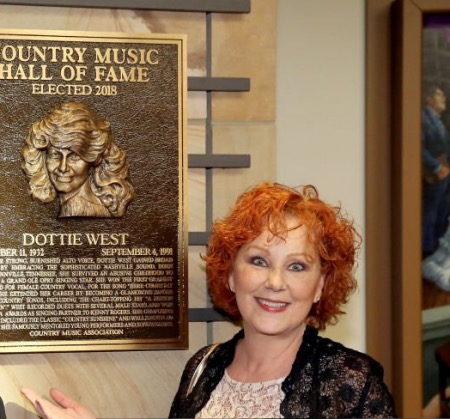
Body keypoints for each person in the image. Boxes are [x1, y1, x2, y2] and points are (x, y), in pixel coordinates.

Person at [21, 182, 396, 418]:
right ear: (231, 274)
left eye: (297, 266)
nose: (275, 282)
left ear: (320, 285)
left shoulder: (353, 382)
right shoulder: (203, 367)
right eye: (259, 261)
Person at [21, 102, 134, 218]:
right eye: (55, 154)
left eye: (74, 156)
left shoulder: (78, 209)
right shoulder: (70, 207)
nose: (62, 168)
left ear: (93, 162)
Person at [421, 85, 450, 258]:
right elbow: (419, 148)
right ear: (429, 99)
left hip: (445, 172)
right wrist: (437, 167)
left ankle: (435, 245)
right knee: (431, 210)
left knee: (442, 210)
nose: (444, 99)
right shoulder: (423, 118)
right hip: (435, 173)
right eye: (440, 96)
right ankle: (426, 247)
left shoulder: (438, 120)